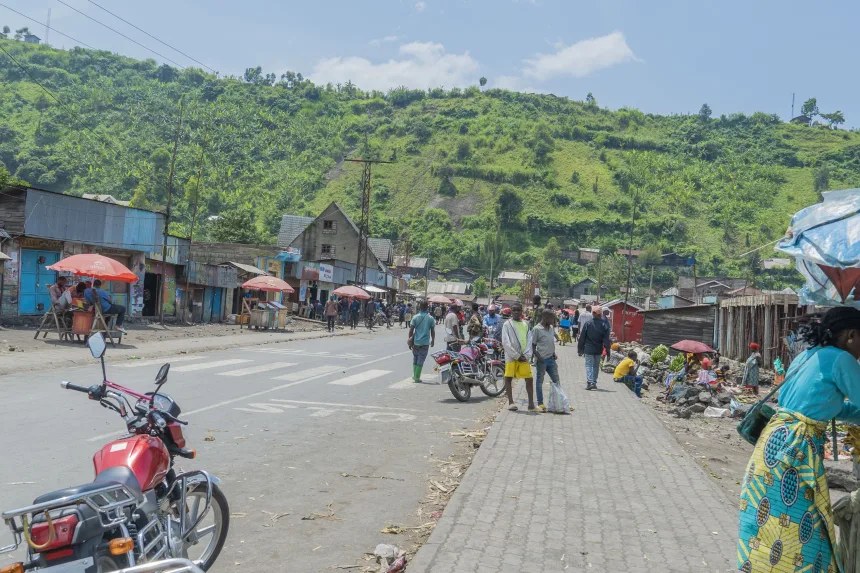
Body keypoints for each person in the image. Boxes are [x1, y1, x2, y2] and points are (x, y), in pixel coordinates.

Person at [738, 307, 860, 573]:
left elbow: (830, 407)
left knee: (767, 525)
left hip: (772, 443)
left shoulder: (806, 356)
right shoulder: (843, 360)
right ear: (851, 335)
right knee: (802, 529)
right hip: (797, 448)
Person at [501, 303, 535, 412]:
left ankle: (531, 404)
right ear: (511, 311)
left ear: (522, 311)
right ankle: (511, 402)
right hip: (511, 356)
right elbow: (505, 342)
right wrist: (516, 355)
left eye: (518, 310)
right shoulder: (507, 324)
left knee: (529, 379)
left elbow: (529, 340)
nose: (516, 312)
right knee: (508, 377)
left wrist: (526, 355)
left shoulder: (526, 324)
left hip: (524, 356)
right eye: (514, 310)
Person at [531, 309, 561, 412]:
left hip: (551, 359)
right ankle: (540, 403)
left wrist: (554, 353)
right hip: (542, 360)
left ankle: (559, 402)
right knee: (540, 382)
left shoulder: (551, 328)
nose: (554, 321)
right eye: (553, 319)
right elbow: (533, 346)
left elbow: (550, 342)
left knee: (557, 381)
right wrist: (539, 358)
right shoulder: (537, 329)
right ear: (546, 318)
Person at [577, 305, 610, 390]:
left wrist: (580, 349)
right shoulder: (604, 325)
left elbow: (582, 338)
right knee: (595, 366)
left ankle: (590, 382)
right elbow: (606, 340)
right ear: (600, 314)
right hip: (598, 349)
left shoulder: (588, 324)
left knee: (589, 365)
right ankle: (594, 383)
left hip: (588, 349)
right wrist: (608, 352)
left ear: (592, 314)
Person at [408, 300, 436, 383]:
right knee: (421, 359)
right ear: (427, 307)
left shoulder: (415, 317)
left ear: (419, 307)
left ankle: (414, 375)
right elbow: (432, 331)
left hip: (416, 342)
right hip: (425, 342)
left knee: (415, 358)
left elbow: (411, 330)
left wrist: (410, 341)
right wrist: (433, 340)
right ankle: (417, 377)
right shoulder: (431, 318)